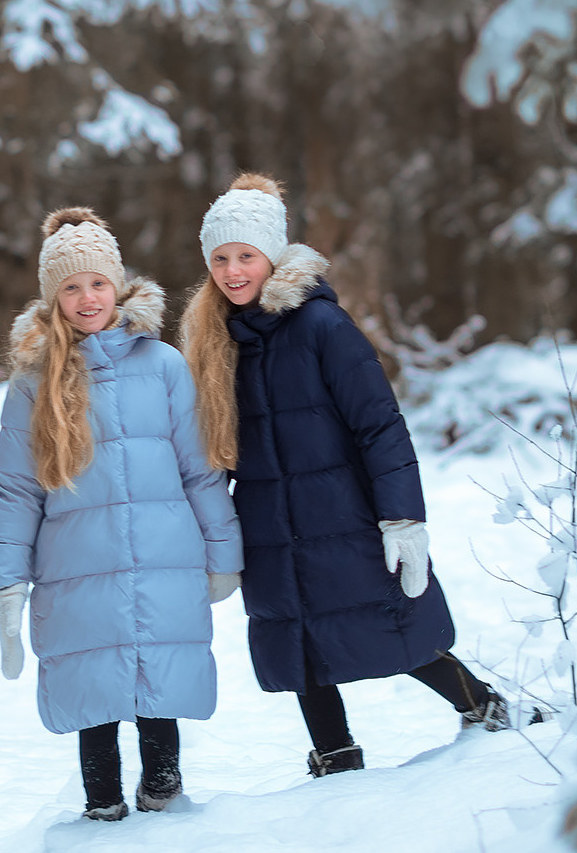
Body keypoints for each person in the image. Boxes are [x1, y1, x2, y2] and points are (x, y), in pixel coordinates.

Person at [181, 173, 509, 777]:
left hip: (345, 515)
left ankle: (484, 707)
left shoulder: (321, 327)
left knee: (393, 623)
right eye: (220, 259)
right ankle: (334, 751)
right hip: (271, 525)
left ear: (272, 255)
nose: (232, 271)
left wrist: (403, 518)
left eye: (245, 256)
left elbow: (379, 425)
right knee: (300, 634)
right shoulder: (214, 340)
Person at [0, 206, 243, 820]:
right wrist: (7, 585)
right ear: (53, 299)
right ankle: (100, 807)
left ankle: (164, 793)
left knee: (161, 681)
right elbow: (17, 490)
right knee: (91, 686)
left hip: (164, 557)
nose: (86, 297)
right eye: (70, 287)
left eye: (97, 282)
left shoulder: (164, 366)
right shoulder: (33, 382)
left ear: (118, 285)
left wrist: (224, 554)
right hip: (76, 567)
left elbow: (199, 470)